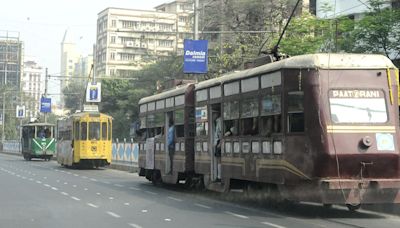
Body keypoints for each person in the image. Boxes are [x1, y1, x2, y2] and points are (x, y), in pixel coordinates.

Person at [213, 112, 222, 181]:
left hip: (219, 142)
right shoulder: (217, 121)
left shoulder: (219, 121)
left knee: (219, 160)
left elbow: (221, 133)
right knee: (218, 159)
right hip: (217, 142)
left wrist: (220, 143)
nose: (213, 116)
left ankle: (219, 176)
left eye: (214, 114)